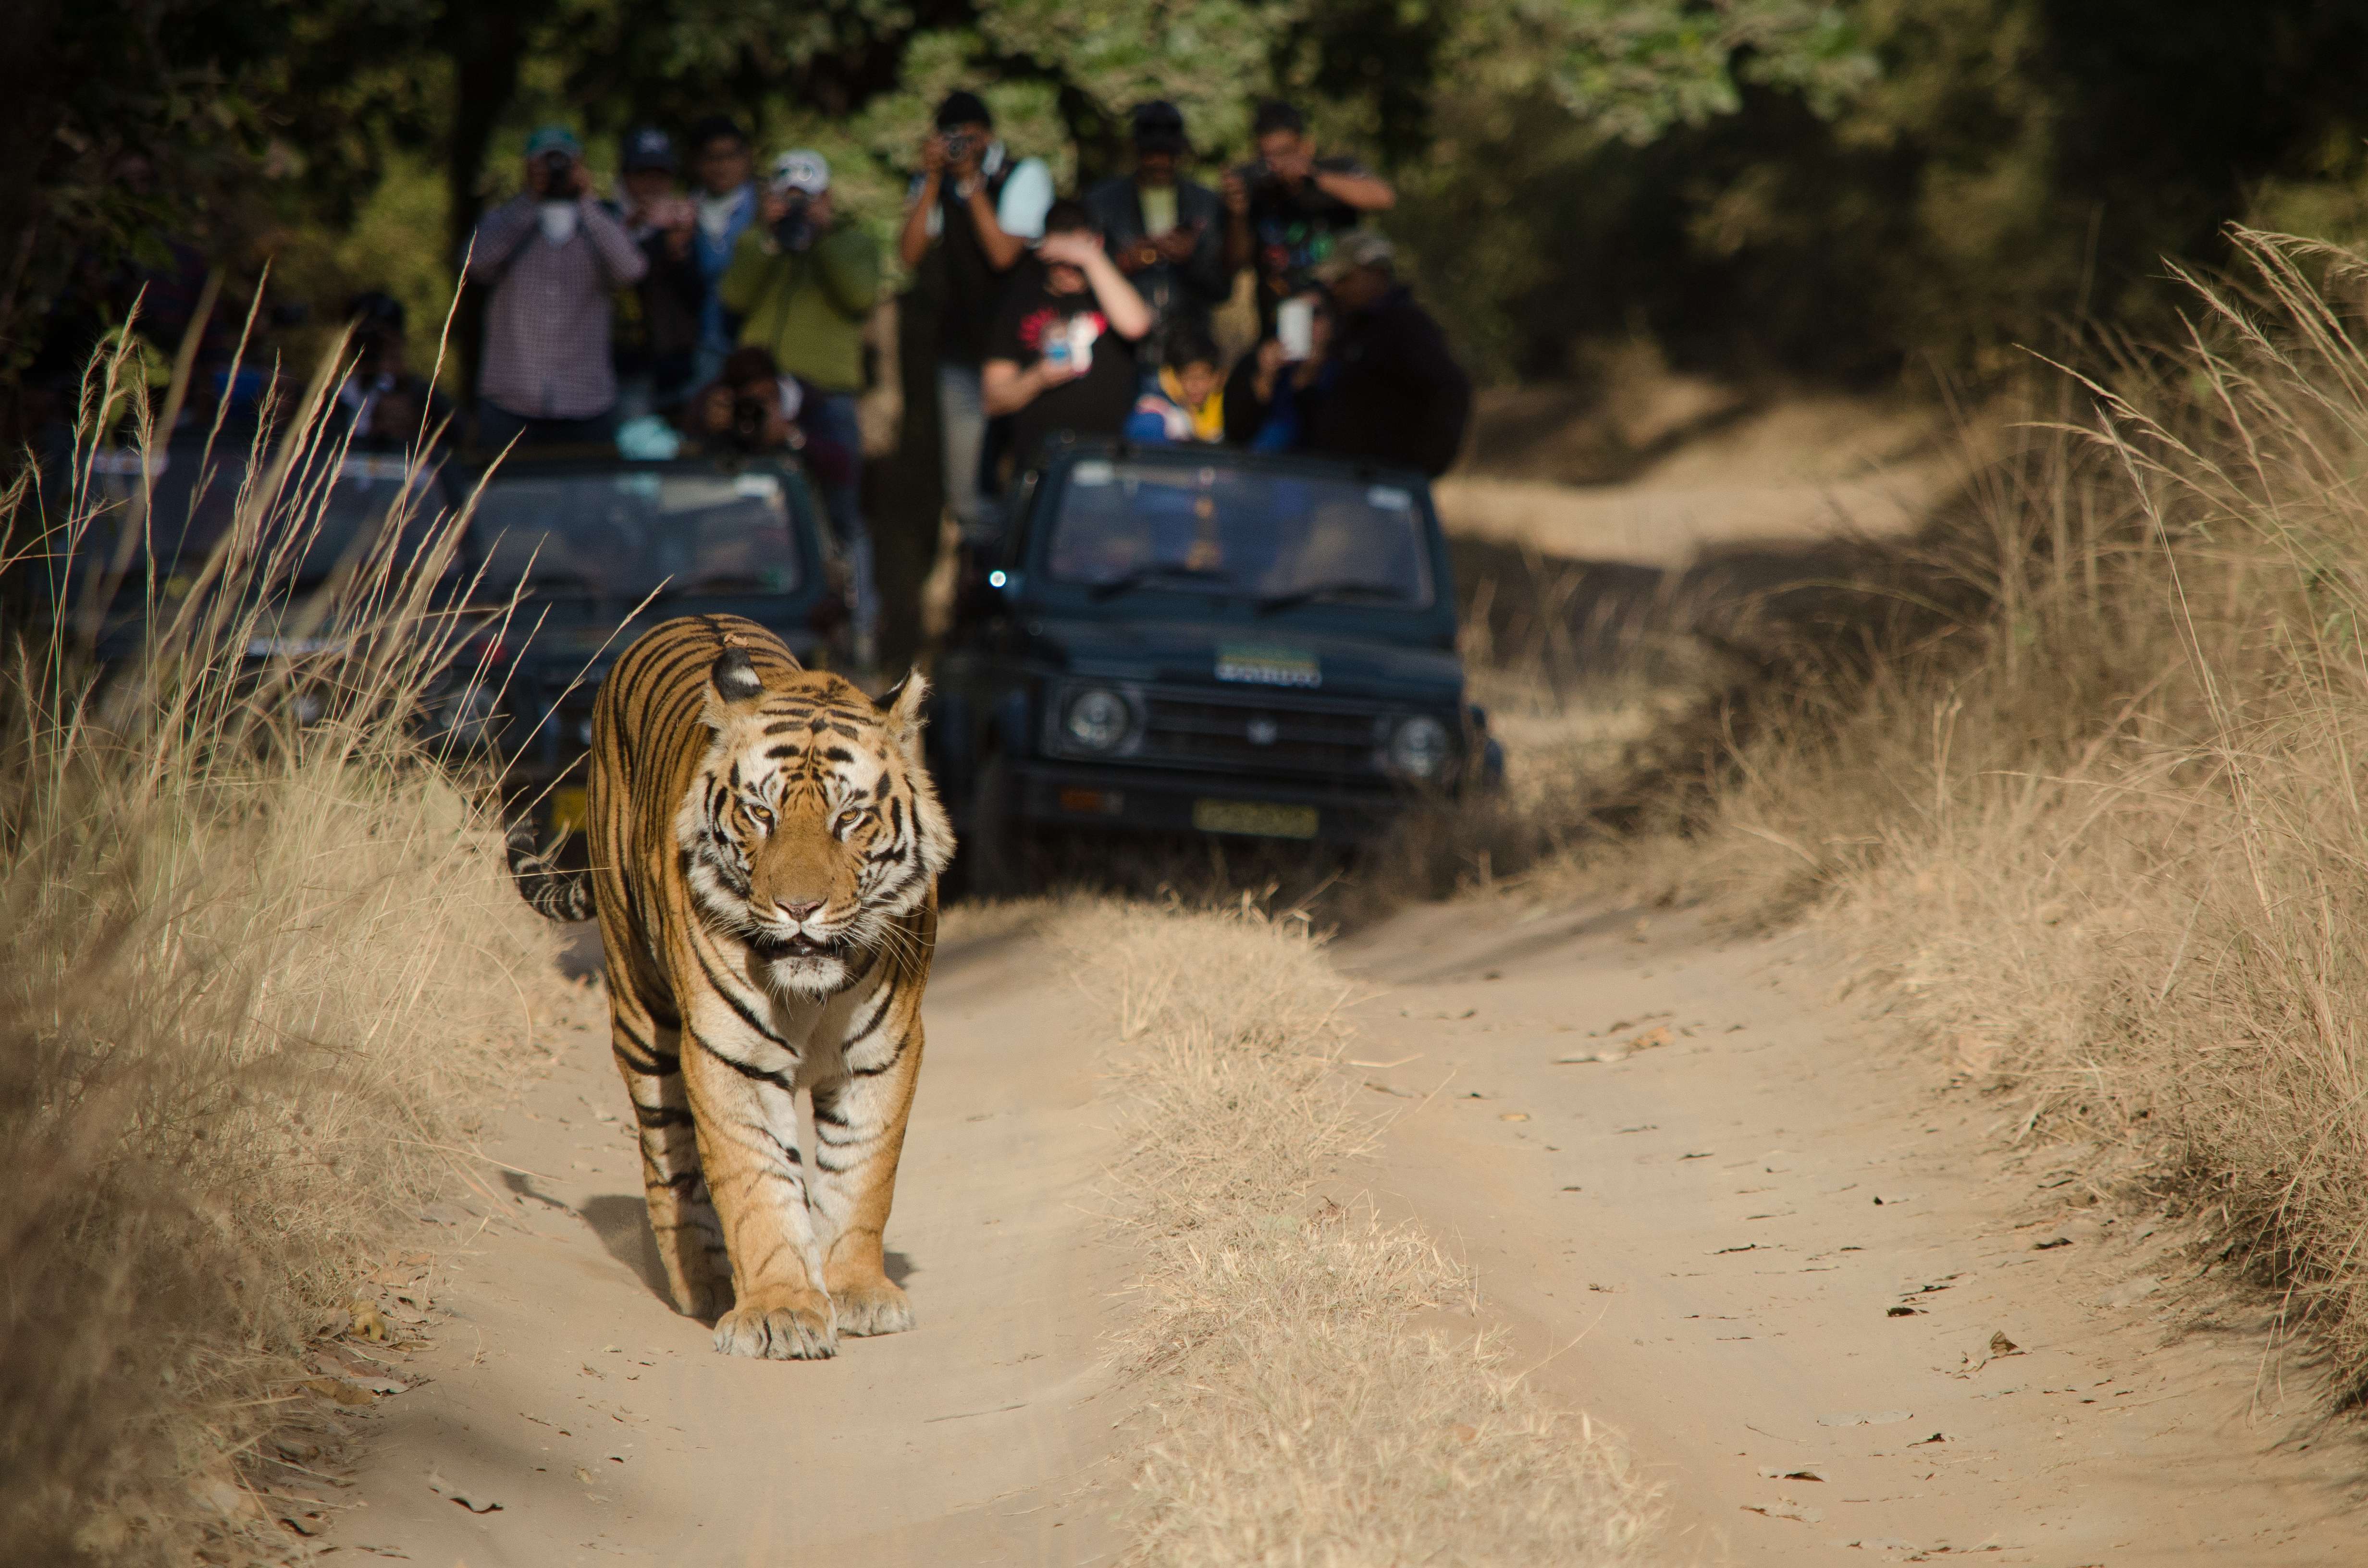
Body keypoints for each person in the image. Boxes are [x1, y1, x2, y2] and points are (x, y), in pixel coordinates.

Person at [721, 149, 884, 665]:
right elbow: (733, 298)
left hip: (826, 398)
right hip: (761, 391)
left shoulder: (853, 244)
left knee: (841, 511)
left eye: (806, 198)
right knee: (750, 508)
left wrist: (817, 237)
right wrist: (772, 241)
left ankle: (859, 625)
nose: (795, 207)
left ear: (828, 199)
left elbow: (858, 295)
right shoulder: (756, 244)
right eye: (787, 197)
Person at [899, 89, 1055, 545]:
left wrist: (970, 186)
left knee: (1027, 469)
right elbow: (909, 255)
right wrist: (930, 180)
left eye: (967, 138)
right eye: (950, 139)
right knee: (965, 490)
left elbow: (1004, 253)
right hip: (962, 349)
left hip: (1019, 351)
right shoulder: (936, 181)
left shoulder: (1025, 174)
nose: (959, 149)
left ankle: (1027, 560)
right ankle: (981, 578)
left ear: (987, 135)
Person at [466, 125, 649, 449]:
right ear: (527, 166)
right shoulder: (504, 218)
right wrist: (530, 201)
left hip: (586, 400)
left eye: (563, 162)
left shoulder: (601, 222)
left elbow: (632, 270)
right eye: (545, 162)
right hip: (512, 398)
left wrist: (586, 201)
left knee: (587, 499)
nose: (555, 169)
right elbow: (474, 264)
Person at [981, 199, 1153, 471]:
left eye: (1076, 259)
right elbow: (993, 400)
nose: (1068, 268)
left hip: (1108, 462)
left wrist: (1090, 257)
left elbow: (1136, 326)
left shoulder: (1110, 289)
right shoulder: (1020, 299)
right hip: (1041, 464)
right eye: (1059, 260)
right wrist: (1039, 378)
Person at [1298, 232, 1470, 477]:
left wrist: (1419, 472)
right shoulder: (1349, 328)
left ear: (1376, 274)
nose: (1336, 289)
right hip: (1339, 483)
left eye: (1344, 279)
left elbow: (1450, 390)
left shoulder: (1406, 327)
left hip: (1379, 487)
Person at [1083, 101, 1231, 376]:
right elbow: (1081, 286)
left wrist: (1192, 258)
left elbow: (1222, 288)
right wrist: (1122, 263)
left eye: (1168, 153)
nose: (1160, 162)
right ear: (1136, 151)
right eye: (1151, 153)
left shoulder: (1206, 204)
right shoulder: (1101, 203)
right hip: (1122, 352)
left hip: (1189, 353)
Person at [1223, 100, 1395, 333]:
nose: (1276, 165)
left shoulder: (1332, 172)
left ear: (1306, 147)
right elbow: (1235, 262)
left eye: (1284, 153)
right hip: (1280, 326)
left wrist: (1313, 175)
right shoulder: (1257, 193)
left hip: (1342, 325)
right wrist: (1237, 214)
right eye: (1267, 157)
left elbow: (1383, 197)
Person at [612, 126, 705, 420]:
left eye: (661, 174)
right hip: (618, 364)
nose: (652, 184)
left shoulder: (685, 223)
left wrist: (680, 250)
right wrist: (631, 229)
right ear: (625, 176)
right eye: (643, 173)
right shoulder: (602, 219)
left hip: (674, 365)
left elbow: (699, 295)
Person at [687, 116, 759, 390]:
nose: (721, 166)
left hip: (754, 346)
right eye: (711, 158)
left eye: (730, 156)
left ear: (746, 158)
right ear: (697, 162)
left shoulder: (766, 209)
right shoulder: (684, 212)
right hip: (701, 348)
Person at [336, 291, 451, 449]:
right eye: (361, 336)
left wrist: (404, 385)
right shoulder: (334, 397)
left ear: (398, 340)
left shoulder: (421, 396)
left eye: (378, 338)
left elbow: (461, 436)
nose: (368, 346)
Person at [1125, 331, 1225, 444]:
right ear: (1172, 377)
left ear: (1216, 377)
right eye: (1188, 377)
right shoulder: (1153, 417)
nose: (1195, 386)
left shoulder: (1230, 412)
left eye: (1202, 377)